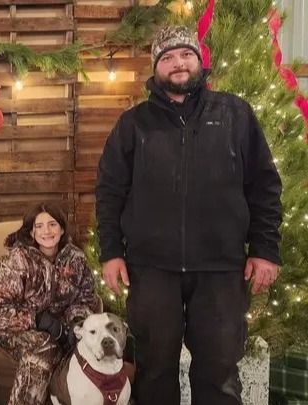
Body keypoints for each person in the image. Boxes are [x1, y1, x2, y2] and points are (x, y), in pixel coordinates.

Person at [96, 25, 282, 405]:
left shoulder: (235, 115)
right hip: (152, 269)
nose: (178, 63)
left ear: (199, 61)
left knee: (219, 372)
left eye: (185, 55)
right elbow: (110, 191)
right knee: (154, 370)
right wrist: (111, 252)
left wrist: (265, 249)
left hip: (220, 269)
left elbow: (264, 185)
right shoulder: (133, 124)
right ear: (156, 68)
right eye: (168, 57)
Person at [0, 202, 100, 405]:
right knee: (44, 349)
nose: (46, 231)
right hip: (18, 329)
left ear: (62, 229)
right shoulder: (18, 260)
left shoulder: (76, 259)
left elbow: (85, 299)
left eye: (52, 224)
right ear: (31, 232)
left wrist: (76, 323)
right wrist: (38, 319)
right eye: (39, 226)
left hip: (63, 329)